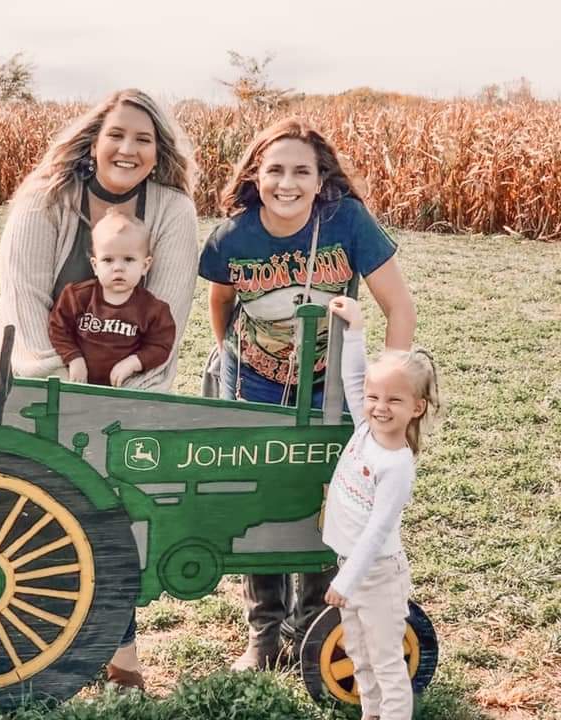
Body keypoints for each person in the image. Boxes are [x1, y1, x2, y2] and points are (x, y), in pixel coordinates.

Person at [0, 88, 199, 690]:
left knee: (117, 514)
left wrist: (126, 400)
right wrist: (64, 386)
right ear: (93, 142)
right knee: (22, 516)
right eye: (117, 135)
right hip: (34, 377)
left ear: (158, 153)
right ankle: (26, 648)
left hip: (125, 393)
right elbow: (25, 302)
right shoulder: (45, 199)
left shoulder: (173, 213)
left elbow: (168, 323)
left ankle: (121, 654)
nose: (128, 149)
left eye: (144, 139)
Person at [198, 117, 416, 670]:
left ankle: (316, 627)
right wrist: (237, 361)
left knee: (333, 497)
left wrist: (382, 385)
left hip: (332, 387)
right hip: (255, 381)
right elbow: (221, 304)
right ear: (256, 175)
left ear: (322, 180)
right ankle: (265, 635)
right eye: (275, 170)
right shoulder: (232, 236)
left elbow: (399, 307)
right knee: (263, 499)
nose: (287, 182)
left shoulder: (346, 221)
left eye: (302, 171)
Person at [324, 295, 439, 720]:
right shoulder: (365, 429)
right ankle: (371, 714)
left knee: (388, 663)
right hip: (350, 567)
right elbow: (355, 380)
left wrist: (348, 580)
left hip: (374, 575)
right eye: (376, 398)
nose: (379, 406)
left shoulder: (396, 465)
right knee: (358, 653)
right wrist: (355, 328)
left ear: (416, 408)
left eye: (394, 400)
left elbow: (377, 531)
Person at [49, 209, 176, 387]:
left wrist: (134, 362)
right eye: (108, 260)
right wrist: (73, 357)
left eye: (129, 259)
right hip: (79, 383)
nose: (118, 268)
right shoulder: (77, 297)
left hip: (122, 389)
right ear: (95, 265)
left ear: (145, 265)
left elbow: (161, 345)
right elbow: (58, 328)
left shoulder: (153, 310)